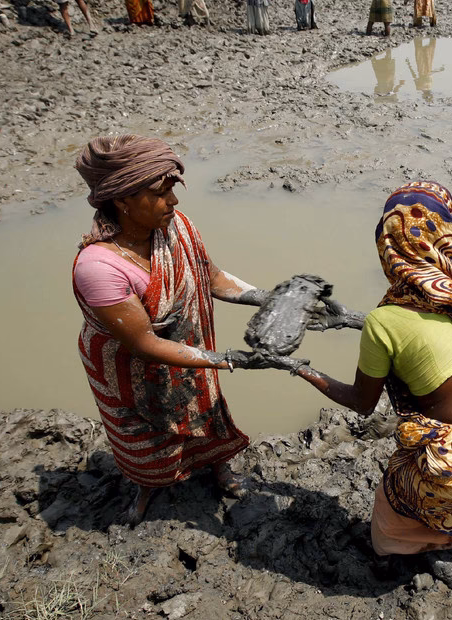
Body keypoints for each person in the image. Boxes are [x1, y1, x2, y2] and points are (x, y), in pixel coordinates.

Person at [292, 181, 452, 560]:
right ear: (445, 235)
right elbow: (430, 332)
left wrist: (303, 370)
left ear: (387, 247)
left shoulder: (383, 322)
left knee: (390, 507)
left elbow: (362, 403)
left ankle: (426, 546)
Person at [71, 135, 297, 524]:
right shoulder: (99, 268)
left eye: (173, 189)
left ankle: (218, 467)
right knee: (144, 442)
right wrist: (229, 360)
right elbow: (143, 344)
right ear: (122, 200)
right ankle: (148, 484)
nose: (173, 202)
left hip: (190, 352)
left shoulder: (176, 227)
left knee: (207, 413)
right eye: (161, 192)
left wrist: (272, 299)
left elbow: (211, 277)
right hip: (130, 368)